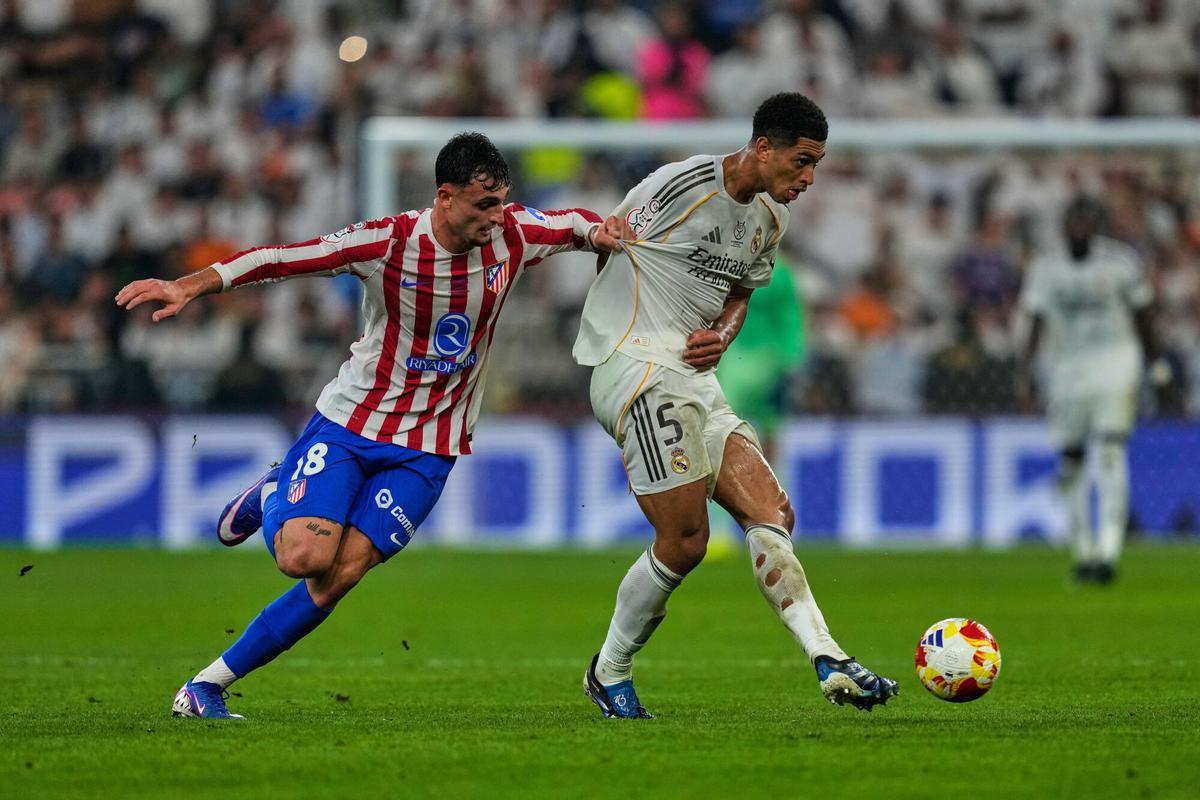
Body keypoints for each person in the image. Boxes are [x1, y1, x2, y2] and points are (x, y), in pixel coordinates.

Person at [116, 132, 628, 719]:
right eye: (484, 204)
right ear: (445, 196)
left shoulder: (512, 233)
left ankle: (205, 685)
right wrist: (189, 284)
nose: (497, 216)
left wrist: (599, 232)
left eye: (501, 202)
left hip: (429, 447)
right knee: (304, 560)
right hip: (352, 424)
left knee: (338, 578)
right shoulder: (387, 241)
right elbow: (282, 259)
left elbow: (572, 224)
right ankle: (276, 488)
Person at [572, 92, 899, 718]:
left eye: (818, 166)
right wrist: (631, 319)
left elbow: (741, 293)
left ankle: (827, 656)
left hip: (695, 378)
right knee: (686, 540)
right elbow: (603, 241)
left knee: (774, 512)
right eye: (802, 162)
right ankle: (608, 669)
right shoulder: (680, 184)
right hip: (636, 364)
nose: (808, 179)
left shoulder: (768, 222)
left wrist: (723, 334)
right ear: (763, 147)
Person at [1017, 196, 1166, 585]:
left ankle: (1108, 551)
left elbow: (1143, 314)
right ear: (1064, 225)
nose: (1079, 228)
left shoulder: (1120, 263)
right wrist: (1026, 369)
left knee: (1112, 450)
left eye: (1087, 221)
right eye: (1073, 221)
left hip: (1116, 361)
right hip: (1067, 366)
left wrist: (1157, 362)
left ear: (1097, 226)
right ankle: (1083, 550)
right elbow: (1034, 319)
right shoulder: (1046, 268)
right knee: (1072, 460)